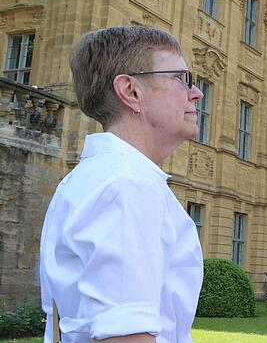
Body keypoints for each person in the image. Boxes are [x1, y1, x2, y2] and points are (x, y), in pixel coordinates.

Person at [39, 26, 205, 343]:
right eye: (181, 79)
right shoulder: (126, 185)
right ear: (130, 91)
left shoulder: (96, 178)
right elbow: (125, 335)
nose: (195, 93)